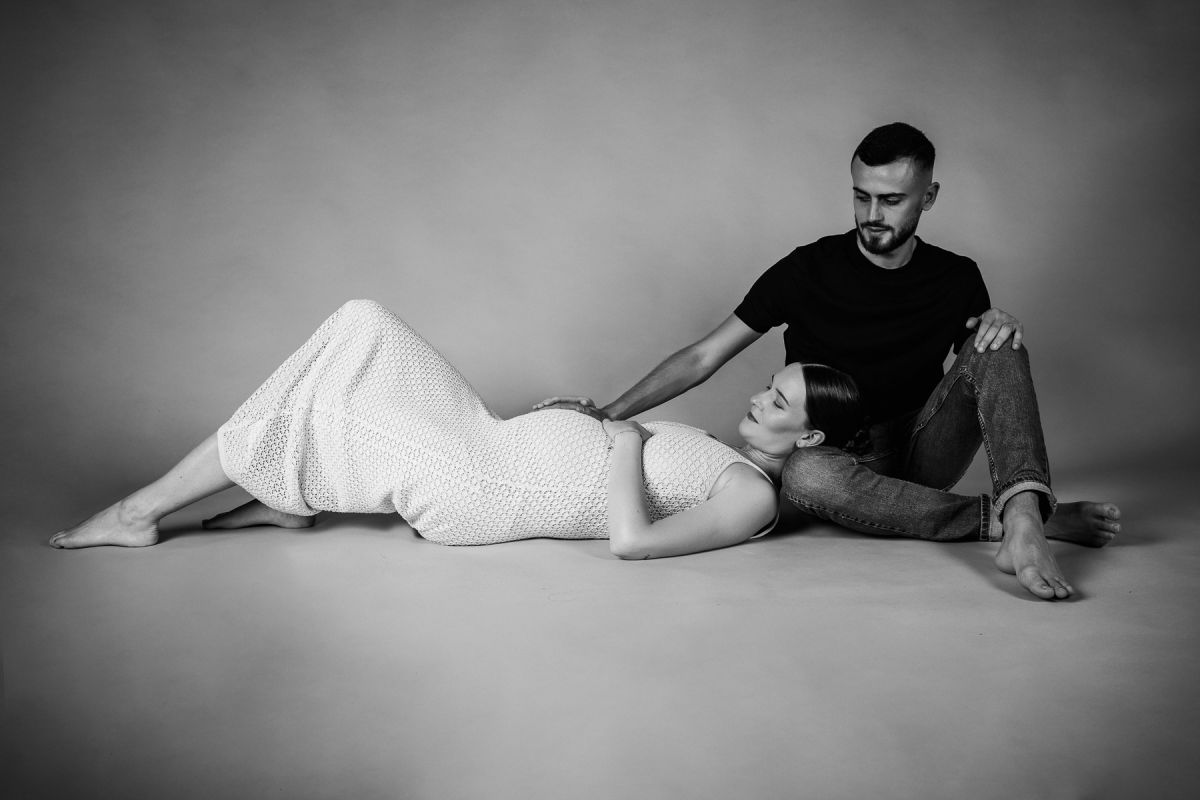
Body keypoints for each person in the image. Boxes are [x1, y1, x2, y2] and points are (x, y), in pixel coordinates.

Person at [536, 122, 1121, 600]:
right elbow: (705, 354)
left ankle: (1025, 514)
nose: (873, 213)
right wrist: (607, 413)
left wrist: (999, 323)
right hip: (829, 455)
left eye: (892, 200)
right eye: (862, 196)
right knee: (806, 475)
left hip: (921, 446)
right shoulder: (807, 269)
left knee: (1001, 340)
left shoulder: (956, 277)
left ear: (929, 197)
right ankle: (1013, 519)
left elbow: (985, 376)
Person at [49, 299, 866, 560]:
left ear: (810, 440)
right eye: (769, 385)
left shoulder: (752, 496)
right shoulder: (725, 454)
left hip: (482, 487)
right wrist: (580, 421)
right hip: (491, 438)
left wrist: (622, 444)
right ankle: (287, 495)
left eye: (778, 403)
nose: (757, 399)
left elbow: (632, 541)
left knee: (318, 409)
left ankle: (139, 513)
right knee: (362, 323)